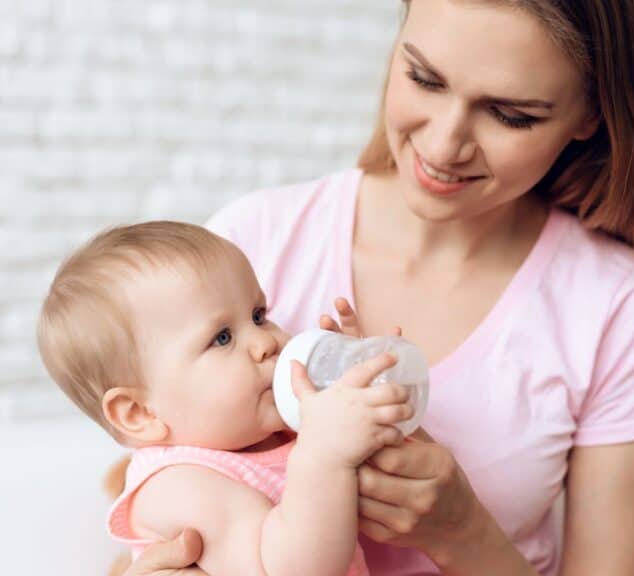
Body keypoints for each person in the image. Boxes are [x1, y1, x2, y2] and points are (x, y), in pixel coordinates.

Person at [124, 0, 634, 574]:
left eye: (511, 115)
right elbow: (163, 504)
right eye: (424, 77)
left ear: (593, 113)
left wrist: (462, 532)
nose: (445, 145)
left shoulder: (623, 311)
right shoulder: (246, 250)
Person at [38, 221, 416, 575]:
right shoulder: (178, 483)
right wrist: (325, 453)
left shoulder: (279, 430)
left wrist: (349, 385)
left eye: (258, 315)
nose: (265, 342)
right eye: (222, 338)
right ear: (139, 413)